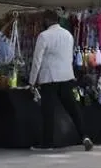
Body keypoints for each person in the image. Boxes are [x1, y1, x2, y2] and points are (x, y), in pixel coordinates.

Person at [29, 9, 93, 151]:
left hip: (49, 78)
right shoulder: (68, 35)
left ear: (47, 20)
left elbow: (37, 60)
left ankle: (47, 143)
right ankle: (85, 136)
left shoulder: (43, 36)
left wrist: (32, 81)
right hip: (66, 76)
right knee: (73, 109)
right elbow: (69, 57)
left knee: (48, 112)